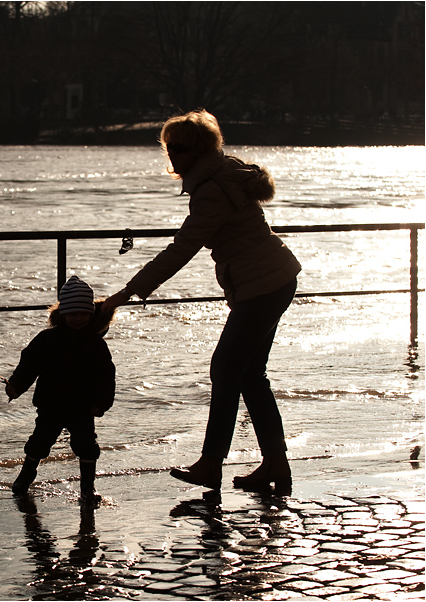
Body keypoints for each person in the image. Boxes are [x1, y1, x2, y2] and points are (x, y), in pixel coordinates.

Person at [102, 109, 301, 494]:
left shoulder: (211, 190)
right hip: (271, 280)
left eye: (179, 147)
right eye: (167, 146)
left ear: (198, 150)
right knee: (248, 374)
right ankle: (275, 463)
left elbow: (182, 248)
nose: (171, 154)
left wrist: (127, 292)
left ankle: (212, 463)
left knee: (226, 370)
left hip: (262, 285)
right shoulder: (220, 175)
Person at [5, 275, 116, 503]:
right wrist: (16, 385)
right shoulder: (47, 339)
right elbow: (29, 364)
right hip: (51, 404)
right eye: (73, 314)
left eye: (84, 314)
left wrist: (102, 402)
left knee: (86, 446)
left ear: (91, 314)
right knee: (40, 441)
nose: (78, 319)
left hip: (83, 406)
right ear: (62, 314)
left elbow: (106, 375)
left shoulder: (96, 344)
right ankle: (25, 478)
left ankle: (87, 489)